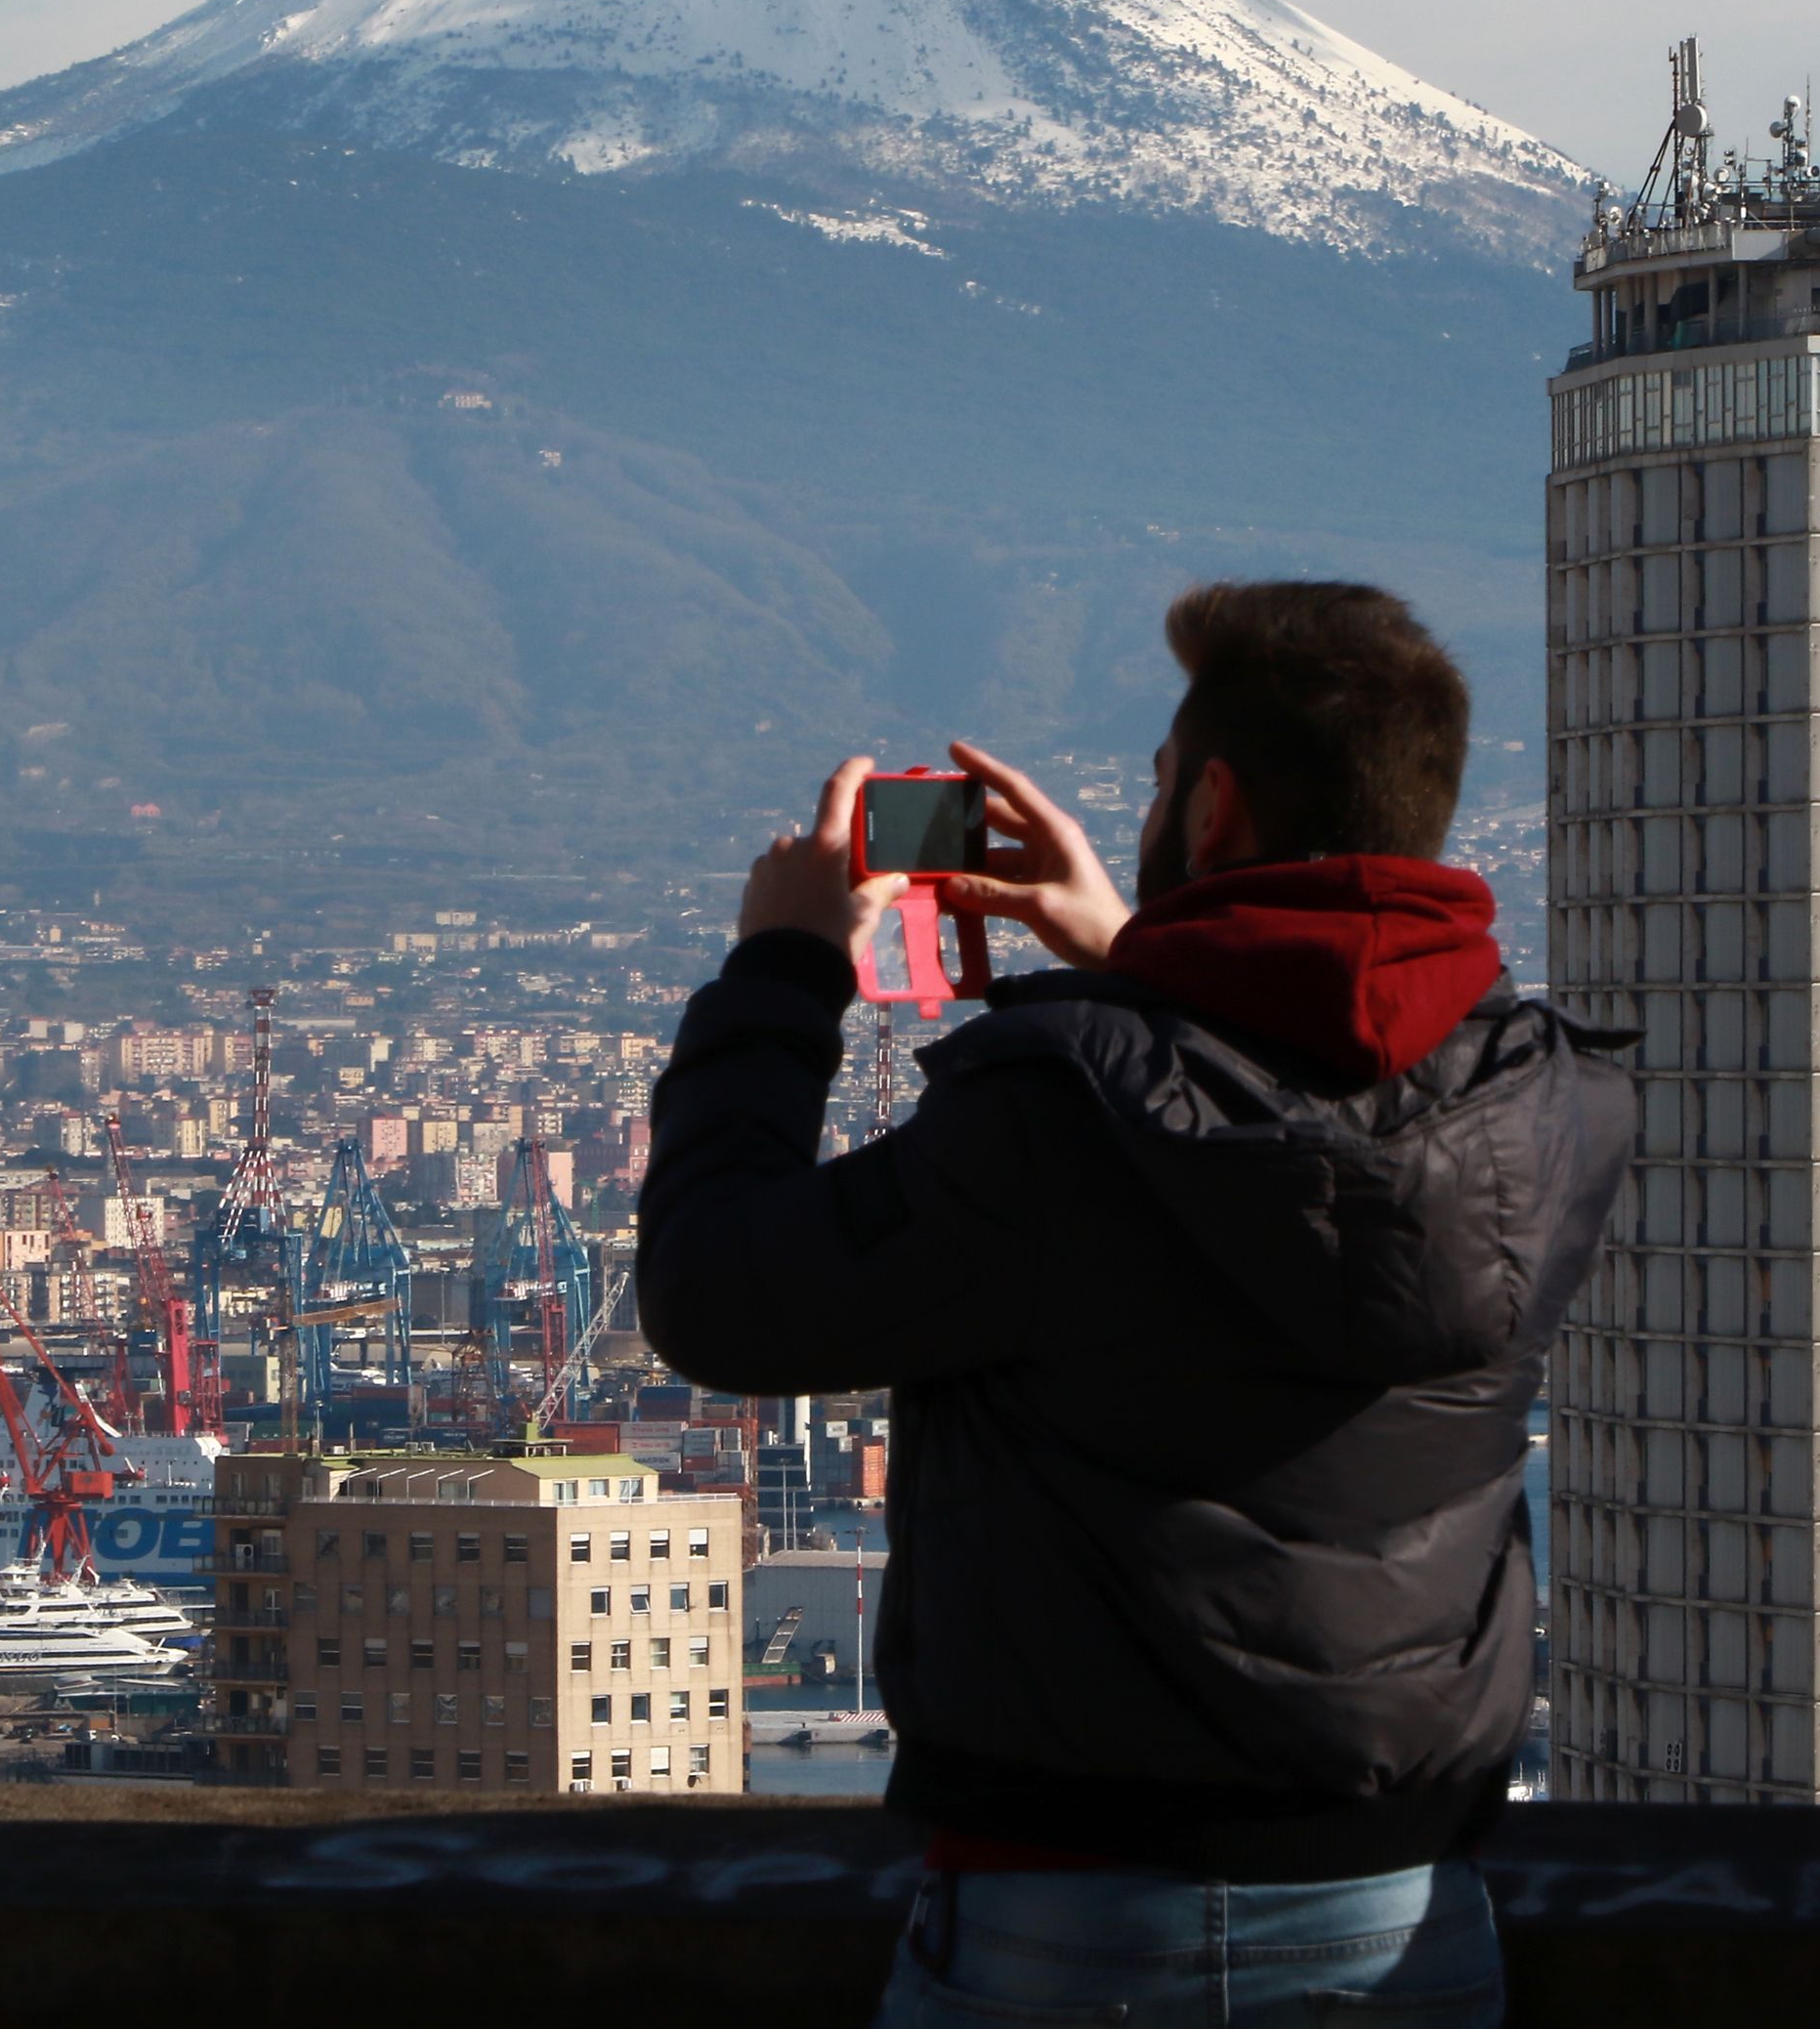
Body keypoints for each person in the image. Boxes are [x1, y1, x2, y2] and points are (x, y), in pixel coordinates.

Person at [638, 580, 1634, 2029]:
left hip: (1066, 1910)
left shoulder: (1055, 1118)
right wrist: (1141, 948)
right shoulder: (1547, 1110)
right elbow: (1298, 1125)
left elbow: (718, 1295)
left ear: (1214, 810)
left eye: (1168, 785)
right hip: (1403, 1918)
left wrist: (785, 969)